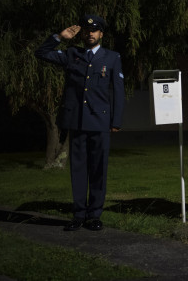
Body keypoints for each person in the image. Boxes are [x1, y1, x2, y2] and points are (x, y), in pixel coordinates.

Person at [35, 14, 125, 231]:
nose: (90, 33)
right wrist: (60, 37)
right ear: (82, 34)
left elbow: (118, 92)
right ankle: (78, 215)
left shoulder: (111, 57)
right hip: (77, 121)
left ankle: (94, 215)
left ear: (101, 34)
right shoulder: (71, 54)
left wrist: (116, 121)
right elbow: (41, 53)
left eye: (94, 30)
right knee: (78, 170)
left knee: (98, 170)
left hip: (100, 121)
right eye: (86, 30)